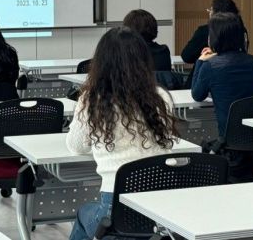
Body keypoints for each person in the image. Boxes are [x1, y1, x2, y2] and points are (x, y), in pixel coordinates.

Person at [66, 27, 179, 240]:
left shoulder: (92, 100)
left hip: (114, 208)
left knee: (83, 215)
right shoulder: (161, 97)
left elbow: (76, 146)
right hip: (160, 209)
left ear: (100, 62)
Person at [191, 13, 253, 136]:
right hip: (252, 130)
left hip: (227, 132)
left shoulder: (210, 65)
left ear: (213, 37)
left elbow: (197, 95)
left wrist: (200, 61)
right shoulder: (252, 62)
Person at [181, 0, 248, 86]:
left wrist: (202, 59)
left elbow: (186, 56)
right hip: (238, 81)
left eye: (211, 10)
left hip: (208, 82)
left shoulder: (206, 31)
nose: (209, 13)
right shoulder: (241, 30)